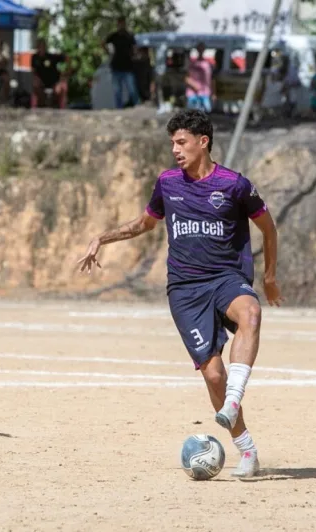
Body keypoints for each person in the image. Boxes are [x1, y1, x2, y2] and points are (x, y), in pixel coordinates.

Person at [77, 109, 282, 477]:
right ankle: (247, 450)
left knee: (251, 312)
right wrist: (101, 238)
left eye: (181, 142)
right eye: (172, 143)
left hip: (226, 277)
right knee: (214, 376)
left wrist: (268, 277)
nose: (175, 149)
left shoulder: (235, 185)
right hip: (185, 291)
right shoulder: (168, 183)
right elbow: (144, 223)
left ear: (203, 142)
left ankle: (234, 400)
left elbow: (268, 229)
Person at [104, 16, 139, 109]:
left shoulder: (129, 35)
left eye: (122, 23)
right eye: (119, 23)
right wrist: (108, 52)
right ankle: (119, 108)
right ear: (117, 24)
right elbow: (103, 43)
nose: (121, 25)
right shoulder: (114, 36)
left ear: (125, 24)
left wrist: (134, 55)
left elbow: (135, 47)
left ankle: (137, 106)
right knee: (117, 91)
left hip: (128, 66)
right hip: (116, 66)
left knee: (132, 89)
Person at [30, 38, 68, 109]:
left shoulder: (51, 57)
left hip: (54, 82)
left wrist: (64, 75)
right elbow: (33, 71)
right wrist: (37, 79)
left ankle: (61, 108)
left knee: (62, 87)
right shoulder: (34, 57)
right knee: (35, 84)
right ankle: (36, 107)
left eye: (43, 46)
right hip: (41, 82)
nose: (41, 48)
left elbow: (66, 58)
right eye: (39, 46)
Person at [185, 43, 214, 113]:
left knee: (206, 113)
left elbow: (212, 79)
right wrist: (194, 85)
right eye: (199, 49)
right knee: (192, 114)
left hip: (205, 93)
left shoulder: (208, 64)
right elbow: (186, 78)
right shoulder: (192, 63)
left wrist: (213, 93)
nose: (200, 50)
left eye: (202, 49)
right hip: (192, 94)